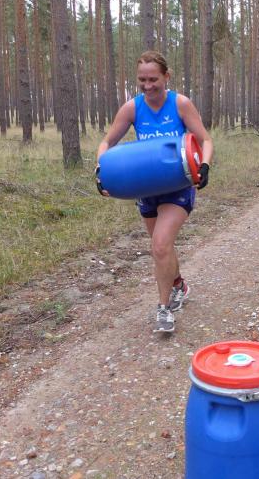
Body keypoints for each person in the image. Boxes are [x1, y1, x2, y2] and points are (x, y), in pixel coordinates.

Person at [96, 50, 214, 333]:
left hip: (178, 185)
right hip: (146, 186)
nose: (147, 86)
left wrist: (205, 165)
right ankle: (179, 284)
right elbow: (107, 142)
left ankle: (164, 309)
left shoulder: (180, 104)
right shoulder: (132, 108)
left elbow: (205, 140)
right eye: (142, 80)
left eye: (153, 80)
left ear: (166, 77)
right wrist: (101, 169)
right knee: (163, 248)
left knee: (160, 245)